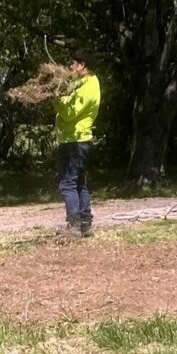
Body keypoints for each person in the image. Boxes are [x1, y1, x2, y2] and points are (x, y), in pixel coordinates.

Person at [54, 49, 101, 237]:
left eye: (71, 64)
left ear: (81, 65)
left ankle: (74, 226)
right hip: (74, 139)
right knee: (80, 183)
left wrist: (56, 100)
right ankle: (85, 224)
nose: (69, 68)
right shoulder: (80, 83)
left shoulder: (88, 86)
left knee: (68, 184)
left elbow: (70, 112)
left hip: (75, 141)